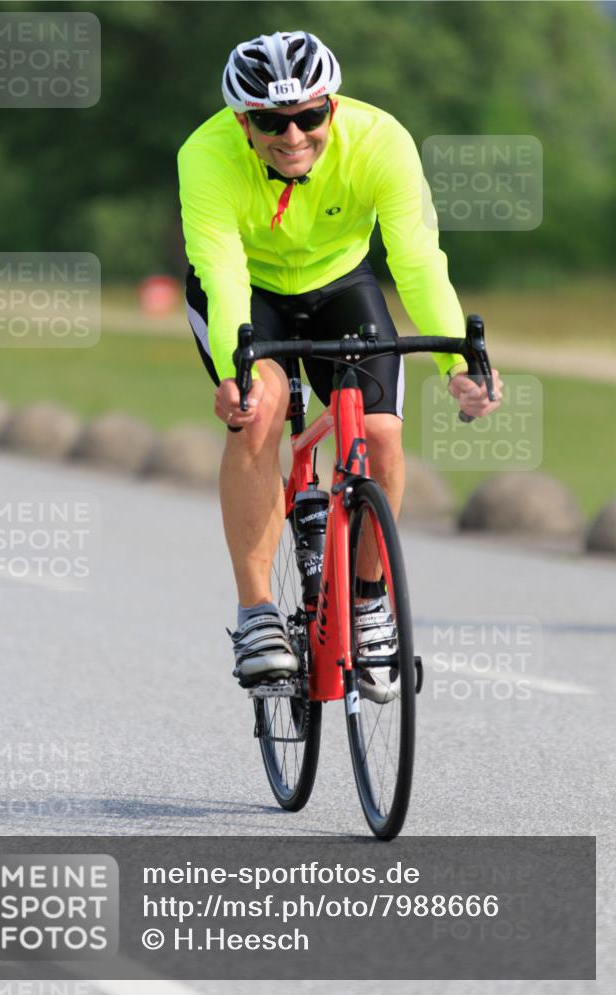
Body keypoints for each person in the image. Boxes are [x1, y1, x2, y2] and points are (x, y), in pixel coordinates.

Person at [178, 30, 502, 697]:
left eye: (309, 116)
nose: (293, 135)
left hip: (339, 283)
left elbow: (414, 260)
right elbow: (221, 269)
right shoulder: (205, 155)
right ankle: (257, 615)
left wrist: (457, 366)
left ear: (332, 105)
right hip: (248, 292)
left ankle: (368, 597)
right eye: (270, 121)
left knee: (380, 433)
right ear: (243, 121)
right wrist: (238, 376)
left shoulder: (381, 139)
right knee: (260, 414)